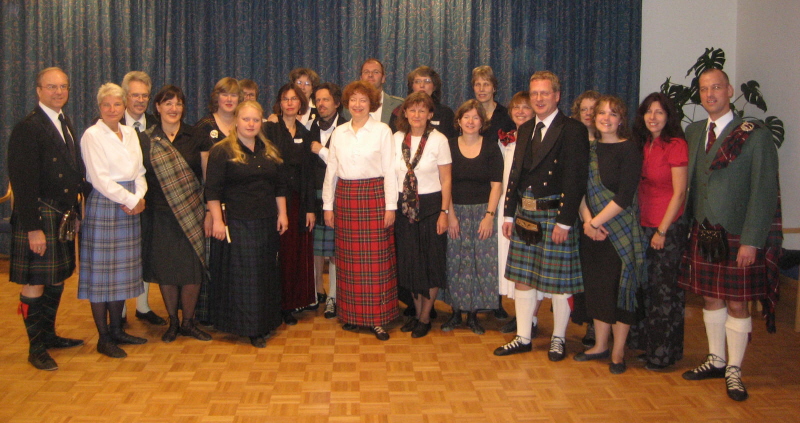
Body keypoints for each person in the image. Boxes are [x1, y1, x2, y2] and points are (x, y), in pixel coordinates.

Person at [678, 68, 779, 402]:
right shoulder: (694, 131)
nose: (710, 94)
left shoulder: (755, 135)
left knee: (737, 302)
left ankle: (734, 368)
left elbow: (764, 191)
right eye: (704, 89)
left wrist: (752, 240)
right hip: (701, 229)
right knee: (710, 298)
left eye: (717, 87)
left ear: (730, 90)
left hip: (736, 233)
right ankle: (716, 359)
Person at [494, 71, 589, 362]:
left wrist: (565, 221)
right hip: (526, 213)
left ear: (557, 96)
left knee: (559, 282)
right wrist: (508, 214)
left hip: (554, 215)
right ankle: (523, 336)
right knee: (523, 278)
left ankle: (558, 338)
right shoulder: (525, 129)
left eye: (544, 93)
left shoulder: (572, 129)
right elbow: (515, 175)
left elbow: (576, 179)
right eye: (534, 93)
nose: (538, 98)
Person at [8, 67, 88, 370]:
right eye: (52, 87)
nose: (59, 92)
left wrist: (75, 212)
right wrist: (33, 229)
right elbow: (23, 183)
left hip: (61, 214)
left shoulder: (63, 121)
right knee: (34, 282)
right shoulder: (28, 128)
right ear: (39, 90)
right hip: (40, 216)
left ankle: (49, 335)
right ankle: (36, 348)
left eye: (63, 86)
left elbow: (71, 171)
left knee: (56, 277)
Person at [206, 101, 288, 348]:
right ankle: (250, 327)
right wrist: (217, 221)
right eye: (246, 119)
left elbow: (279, 186)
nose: (251, 124)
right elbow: (212, 191)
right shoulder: (222, 150)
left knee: (265, 273)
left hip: (267, 221)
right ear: (236, 121)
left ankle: (266, 321)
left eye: (255, 120)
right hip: (238, 222)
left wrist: (282, 214)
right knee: (246, 277)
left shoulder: (269, 150)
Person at [574, 95, 646, 375]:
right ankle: (600, 345)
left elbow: (625, 196)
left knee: (620, 291)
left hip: (619, 230)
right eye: (601, 113)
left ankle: (618, 351)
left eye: (612, 114)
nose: (606, 118)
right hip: (592, 231)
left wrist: (596, 222)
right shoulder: (588, 149)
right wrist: (587, 221)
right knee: (598, 289)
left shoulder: (629, 149)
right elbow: (578, 189)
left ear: (621, 119)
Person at [322, 80, 399, 341]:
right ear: (347, 103)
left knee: (376, 262)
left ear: (371, 103)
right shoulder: (340, 132)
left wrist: (390, 207)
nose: (357, 104)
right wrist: (328, 206)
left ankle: (377, 319)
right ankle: (352, 316)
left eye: (363, 100)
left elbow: (390, 170)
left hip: (375, 198)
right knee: (349, 262)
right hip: (345, 199)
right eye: (353, 99)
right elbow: (332, 170)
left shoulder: (382, 131)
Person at [79, 83, 149, 358]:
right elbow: (99, 179)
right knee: (101, 276)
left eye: (117, 104)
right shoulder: (92, 135)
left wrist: (139, 197)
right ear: (99, 107)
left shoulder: (130, 132)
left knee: (121, 273)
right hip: (106, 205)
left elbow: (140, 171)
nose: (112, 109)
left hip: (130, 205)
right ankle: (103, 337)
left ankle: (118, 330)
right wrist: (131, 200)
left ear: (124, 107)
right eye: (106, 105)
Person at [140, 85, 212, 343]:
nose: (174, 108)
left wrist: (209, 210)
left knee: (193, 269)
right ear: (157, 107)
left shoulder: (196, 135)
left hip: (191, 211)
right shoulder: (146, 139)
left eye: (178, 103)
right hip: (159, 214)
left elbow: (208, 177)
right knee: (167, 270)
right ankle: (173, 322)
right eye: (168, 103)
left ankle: (188, 322)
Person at [626, 92, 689, 370]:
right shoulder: (642, 144)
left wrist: (662, 231)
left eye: (659, 112)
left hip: (668, 227)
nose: (653, 117)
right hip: (644, 223)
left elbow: (679, 192)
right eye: (648, 112)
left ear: (668, 116)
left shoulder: (676, 145)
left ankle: (663, 354)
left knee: (665, 293)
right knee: (647, 289)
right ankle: (651, 346)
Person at [441, 100, 503, 335]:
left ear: (482, 122)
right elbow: (444, 182)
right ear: (458, 121)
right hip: (455, 212)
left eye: (475, 117)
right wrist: (450, 215)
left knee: (480, 264)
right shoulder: (448, 146)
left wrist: (489, 216)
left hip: (482, 213)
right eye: (466, 117)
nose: (470, 121)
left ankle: (474, 315)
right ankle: (456, 312)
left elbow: (496, 185)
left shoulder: (491, 147)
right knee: (455, 262)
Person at [393, 92, 452, 338]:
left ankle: (426, 317)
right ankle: (417, 314)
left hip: (431, 208)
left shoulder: (439, 140)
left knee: (430, 264)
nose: (416, 115)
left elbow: (446, 179)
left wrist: (444, 212)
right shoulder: (396, 138)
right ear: (405, 113)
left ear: (430, 115)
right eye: (412, 110)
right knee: (410, 264)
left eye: (422, 110)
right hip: (404, 208)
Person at [263, 83, 317, 325]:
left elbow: (309, 175)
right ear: (279, 103)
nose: (290, 103)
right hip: (274, 202)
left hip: (298, 202)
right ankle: (274, 303)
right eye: (285, 99)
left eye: (294, 99)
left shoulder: (305, 133)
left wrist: (310, 208)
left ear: (301, 103)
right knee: (276, 254)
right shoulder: (269, 130)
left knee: (293, 255)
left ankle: (290, 304)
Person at [193, 77, 241, 323]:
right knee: (212, 260)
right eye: (225, 94)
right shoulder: (204, 126)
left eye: (234, 95)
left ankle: (232, 310)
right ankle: (208, 313)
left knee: (235, 261)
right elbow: (204, 171)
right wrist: (210, 211)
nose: (229, 99)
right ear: (216, 97)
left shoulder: (244, 122)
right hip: (213, 203)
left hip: (239, 203)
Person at [119, 70, 165, 327]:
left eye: (144, 95)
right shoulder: (109, 122)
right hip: (120, 203)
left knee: (146, 252)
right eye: (135, 95)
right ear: (125, 96)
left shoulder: (157, 124)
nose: (140, 100)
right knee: (122, 257)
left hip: (150, 201)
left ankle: (143, 306)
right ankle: (119, 311)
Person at [471, 65, 515, 320]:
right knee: (476, 245)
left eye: (486, 84)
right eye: (477, 84)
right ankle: (475, 298)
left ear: (494, 87)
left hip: (498, 182)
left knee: (494, 246)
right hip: (474, 183)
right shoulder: (469, 113)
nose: (482, 89)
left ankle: (495, 299)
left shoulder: (505, 116)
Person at [496, 92, 536, 335]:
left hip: (529, 208)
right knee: (511, 264)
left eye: (526, 107)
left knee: (529, 266)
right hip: (506, 207)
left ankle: (531, 319)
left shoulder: (538, 140)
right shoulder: (506, 141)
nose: (520, 111)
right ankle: (522, 316)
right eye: (516, 107)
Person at [309, 82, 348, 319]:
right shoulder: (309, 127)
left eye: (326, 99)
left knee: (334, 250)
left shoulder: (346, 128)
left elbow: (345, 163)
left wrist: (321, 150)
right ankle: (316, 292)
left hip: (337, 195)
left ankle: (333, 296)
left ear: (337, 103)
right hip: (314, 194)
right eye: (318, 100)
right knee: (315, 248)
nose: (321, 104)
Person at [568, 89, 602, 348]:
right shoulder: (573, 140)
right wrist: (586, 218)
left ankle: (603, 322)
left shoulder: (610, 141)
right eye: (584, 109)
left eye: (594, 109)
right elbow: (572, 182)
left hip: (606, 214)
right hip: (580, 213)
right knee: (583, 272)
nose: (589, 113)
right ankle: (589, 321)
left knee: (601, 274)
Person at [389, 66, 455, 138]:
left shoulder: (446, 113)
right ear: (412, 86)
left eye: (427, 81)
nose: (422, 85)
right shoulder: (399, 111)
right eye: (417, 81)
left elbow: (450, 140)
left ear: (434, 86)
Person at [341, 58, 403, 124]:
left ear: (383, 78)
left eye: (376, 72)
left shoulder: (398, 105)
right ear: (361, 78)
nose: (370, 75)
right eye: (366, 72)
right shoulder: (348, 107)